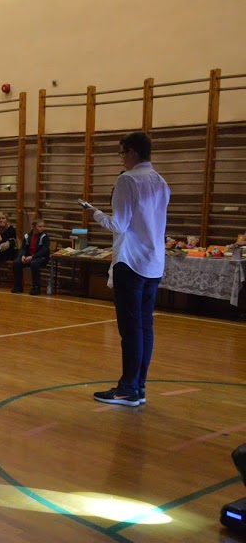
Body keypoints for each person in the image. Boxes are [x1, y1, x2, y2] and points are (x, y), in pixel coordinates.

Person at [86, 132, 170, 407]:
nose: (121, 158)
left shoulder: (127, 180)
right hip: (153, 263)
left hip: (131, 262)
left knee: (130, 329)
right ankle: (138, 386)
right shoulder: (161, 182)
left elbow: (118, 225)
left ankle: (127, 389)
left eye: (122, 152)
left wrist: (94, 213)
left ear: (132, 152)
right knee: (145, 327)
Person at [12, 219, 50, 295]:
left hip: (41, 258)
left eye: (43, 226)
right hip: (29, 257)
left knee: (34, 263)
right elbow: (23, 248)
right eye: (39, 226)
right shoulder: (27, 236)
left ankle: (36, 287)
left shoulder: (45, 237)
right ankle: (18, 286)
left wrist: (32, 257)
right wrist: (22, 256)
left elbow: (44, 251)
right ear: (33, 227)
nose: (42, 228)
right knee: (17, 263)